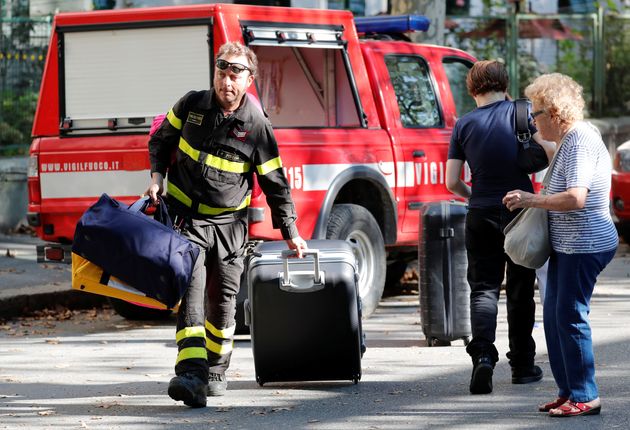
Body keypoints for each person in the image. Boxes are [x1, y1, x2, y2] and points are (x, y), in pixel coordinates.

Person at [145, 41, 307, 408]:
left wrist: (291, 233)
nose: (227, 78)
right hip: (187, 222)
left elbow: (275, 184)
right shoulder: (191, 105)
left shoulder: (257, 126)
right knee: (191, 292)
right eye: (222, 69)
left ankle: (216, 369)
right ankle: (191, 375)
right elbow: (160, 139)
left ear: (249, 80)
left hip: (231, 228)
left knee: (222, 303)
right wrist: (156, 177)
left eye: (236, 72)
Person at [503, 73, 618, 417]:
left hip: (585, 243)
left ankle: (585, 395)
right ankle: (568, 390)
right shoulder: (569, 139)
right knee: (555, 317)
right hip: (571, 244)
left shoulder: (580, 140)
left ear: (553, 113)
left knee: (569, 317)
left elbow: (576, 197)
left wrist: (530, 199)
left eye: (535, 114)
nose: (533, 122)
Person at [445, 60, 552, 395]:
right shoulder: (521, 111)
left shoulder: (463, 124)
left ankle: (483, 360)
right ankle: (522, 366)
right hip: (519, 210)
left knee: (483, 289)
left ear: (472, 88)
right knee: (520, 290)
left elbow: (451, 181)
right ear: (504, 84)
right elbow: (550, 151)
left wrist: (475, 196)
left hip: (480, 214)